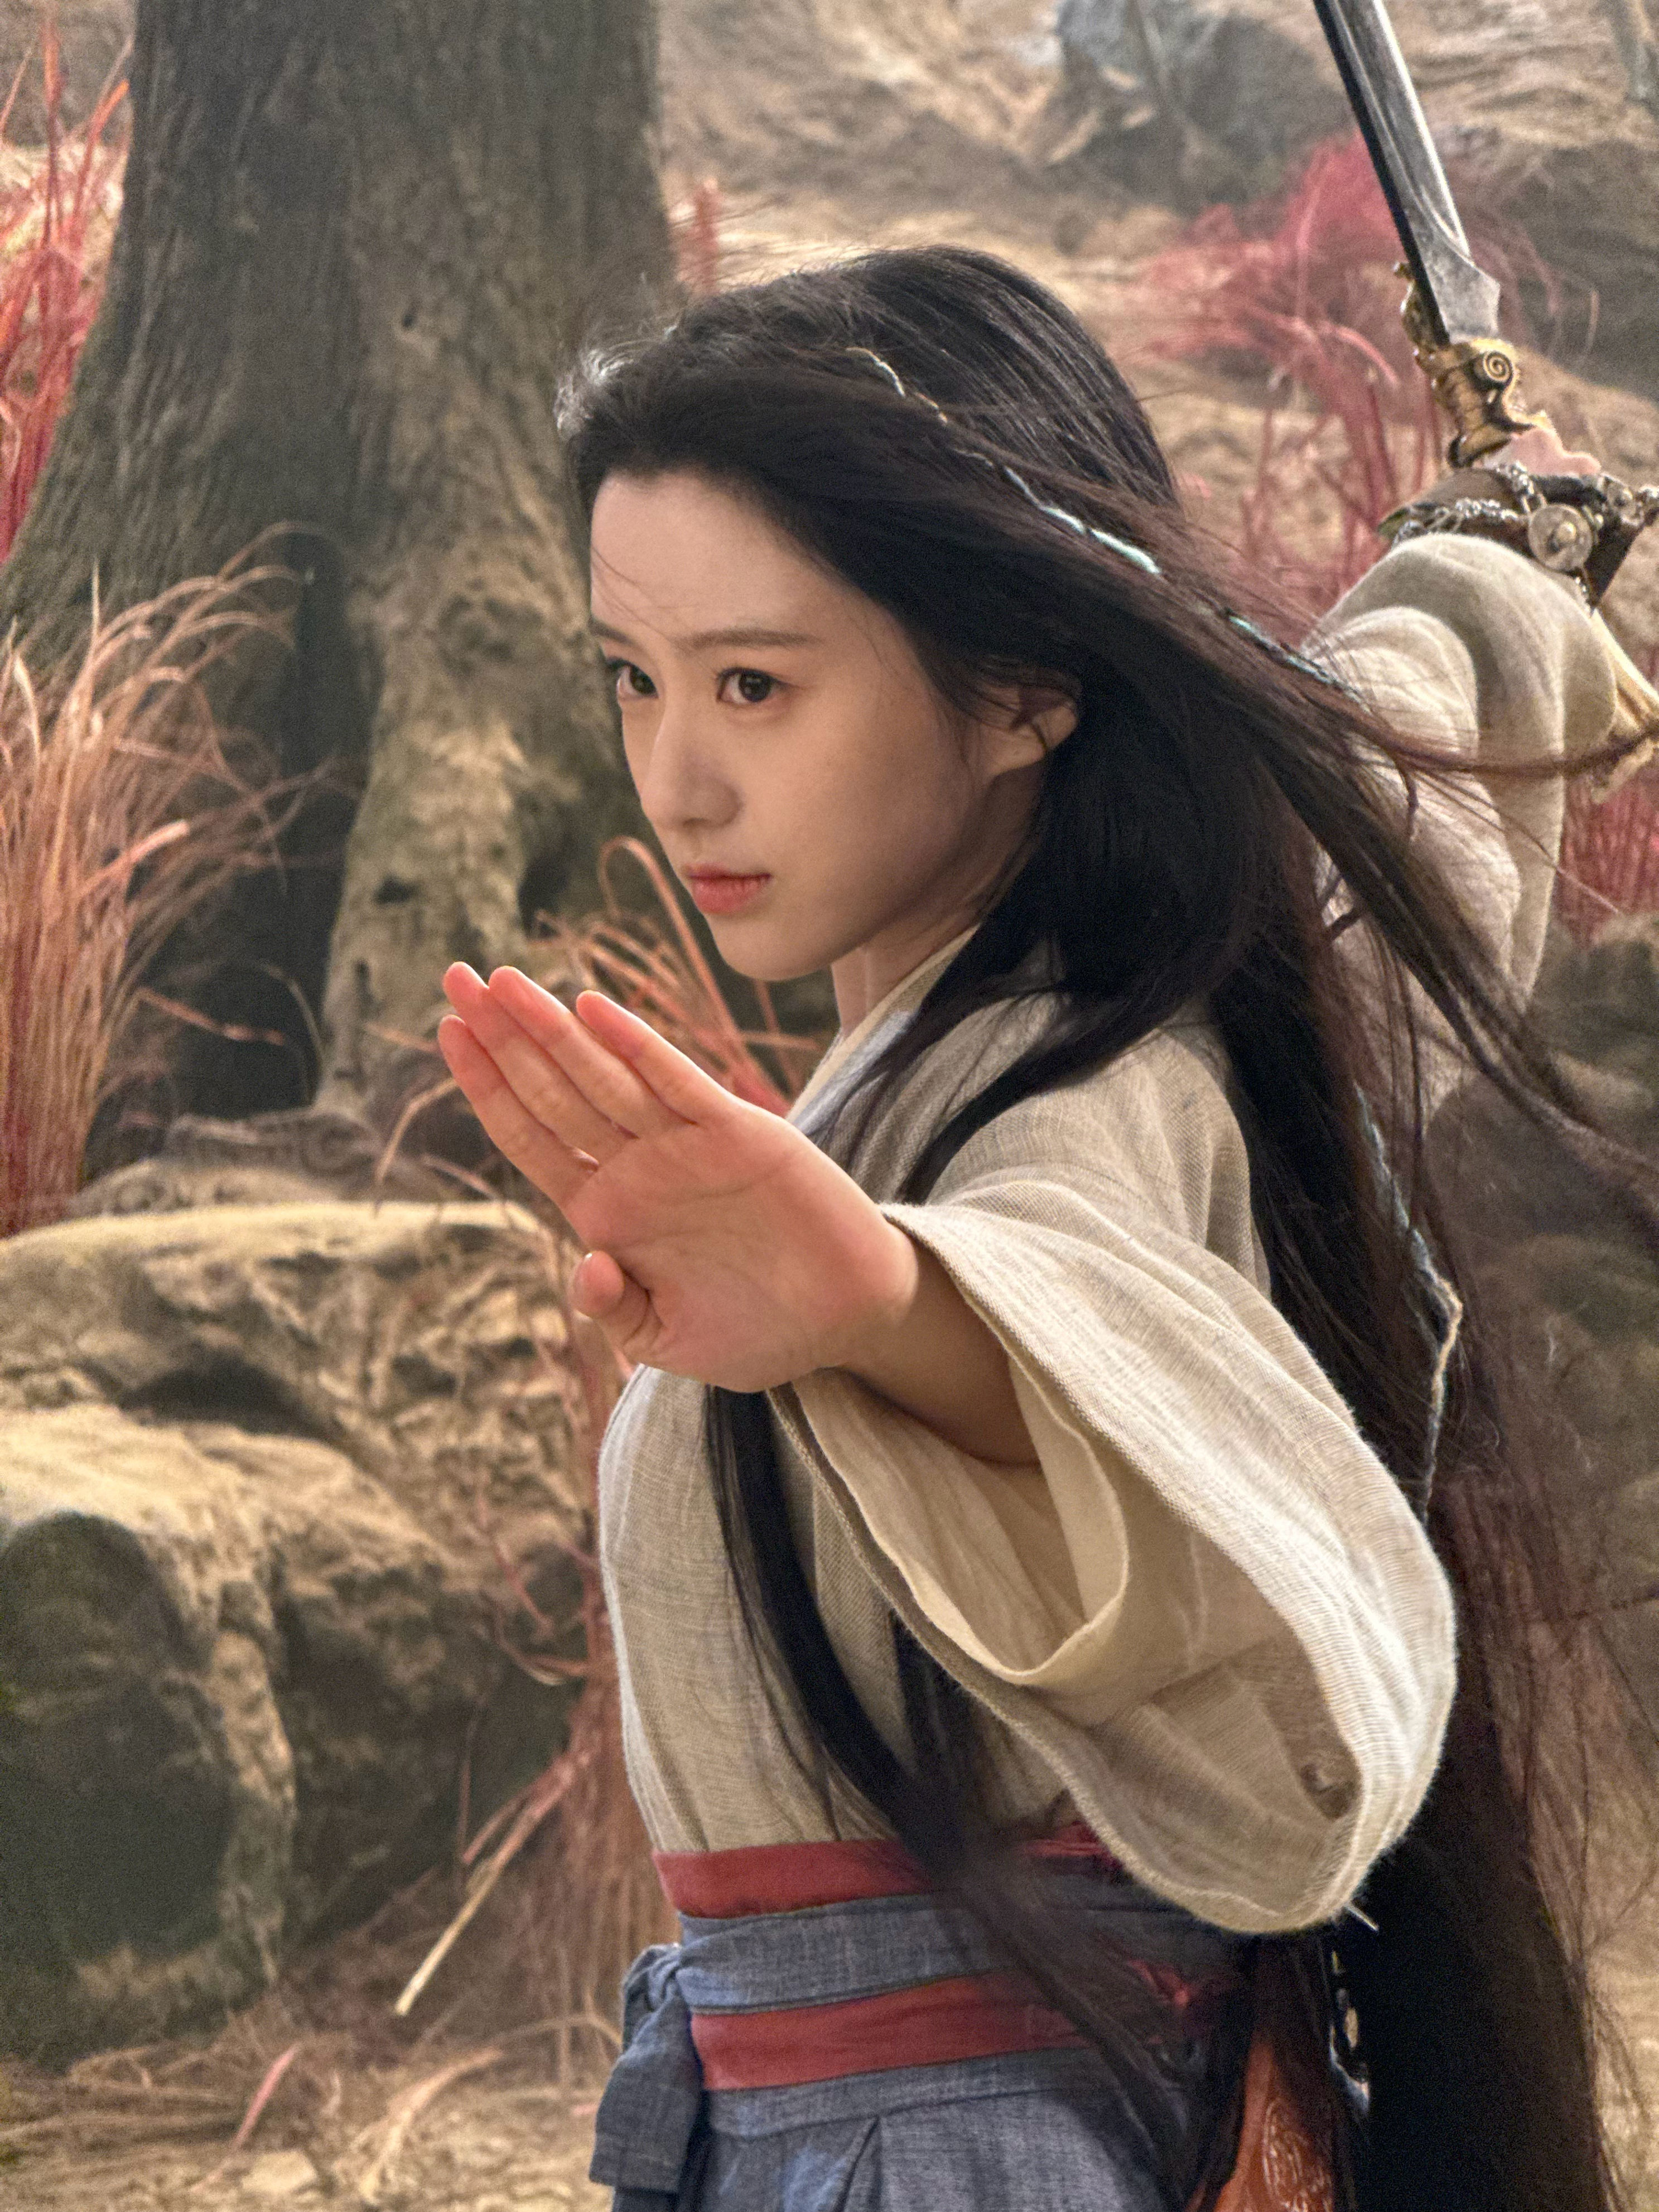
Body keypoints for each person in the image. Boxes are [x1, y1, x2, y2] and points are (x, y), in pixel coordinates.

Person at [434, 245, 1653, 2211]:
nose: (677, 777)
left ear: (1024, 685)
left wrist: (888, 1302)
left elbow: (1087, 1312)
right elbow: (1394, 753)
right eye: (632, 679)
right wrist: (1504, 554)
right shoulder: (1230, 952)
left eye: (755, 684)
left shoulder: (1066, 1090)